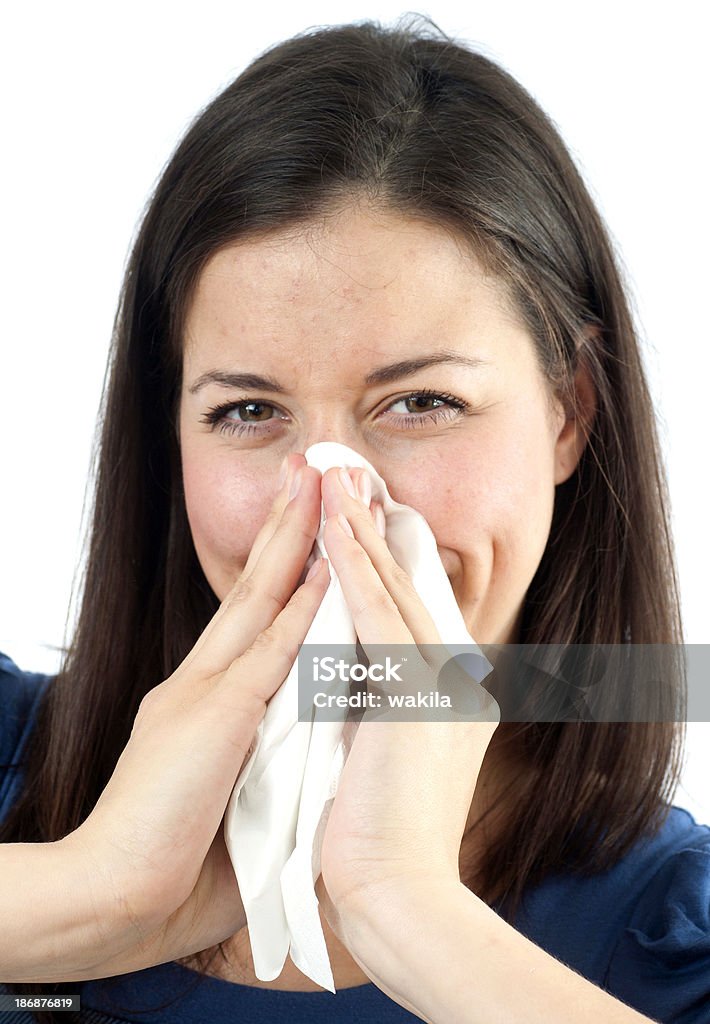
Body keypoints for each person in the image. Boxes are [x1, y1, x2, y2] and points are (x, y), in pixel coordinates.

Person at [1, 14, 708, 1024]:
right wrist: (88, 891)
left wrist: (402, 902)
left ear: (568, 414)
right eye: (248, 411)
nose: (336, 506)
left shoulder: (669, 938)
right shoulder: (13, 768)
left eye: (419, 403)